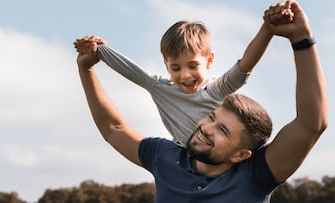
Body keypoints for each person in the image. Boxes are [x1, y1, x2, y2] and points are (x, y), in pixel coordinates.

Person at [75, 1, 328, 202]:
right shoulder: (164, 157)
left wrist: (302, 39)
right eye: (211, 118)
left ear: (242, 154)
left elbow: (311, 124)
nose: (206, 128)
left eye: (223, 131)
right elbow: (113, 128)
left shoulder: (257, 175)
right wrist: (87, 70)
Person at [74, 6, 293, 147]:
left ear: (208, 61)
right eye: (176, 68)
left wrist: (268, 28)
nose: (185, 75)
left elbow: (245, 65)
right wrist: (98, 49)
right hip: (188, 162)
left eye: (193, 65)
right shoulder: (161, 88)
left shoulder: (216, 90)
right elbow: (131, 70)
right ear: (166, 66)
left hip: (227, 161)